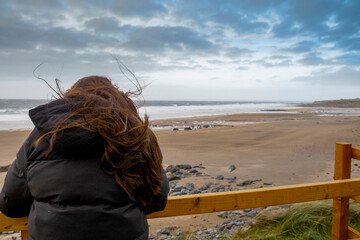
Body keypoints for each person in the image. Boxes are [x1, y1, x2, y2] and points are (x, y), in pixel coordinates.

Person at [0, 76, 169, 240]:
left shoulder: (41, 137)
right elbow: (157, 199)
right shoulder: (136, 136)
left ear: (71, 98)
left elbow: (10, 203)